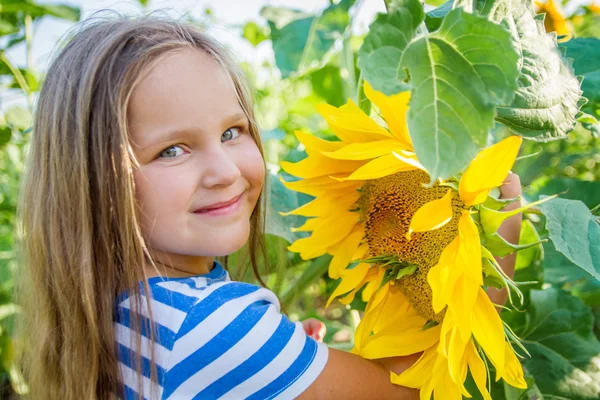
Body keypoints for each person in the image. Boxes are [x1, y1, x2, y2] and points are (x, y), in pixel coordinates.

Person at [14, 13, 522, 400]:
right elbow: (408, 393)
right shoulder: (212, 329)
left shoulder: (122, 309)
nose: (226, 171)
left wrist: (281, 358)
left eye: (232, 132)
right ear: (96, 183)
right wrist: (491, 264)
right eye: (172, 150)